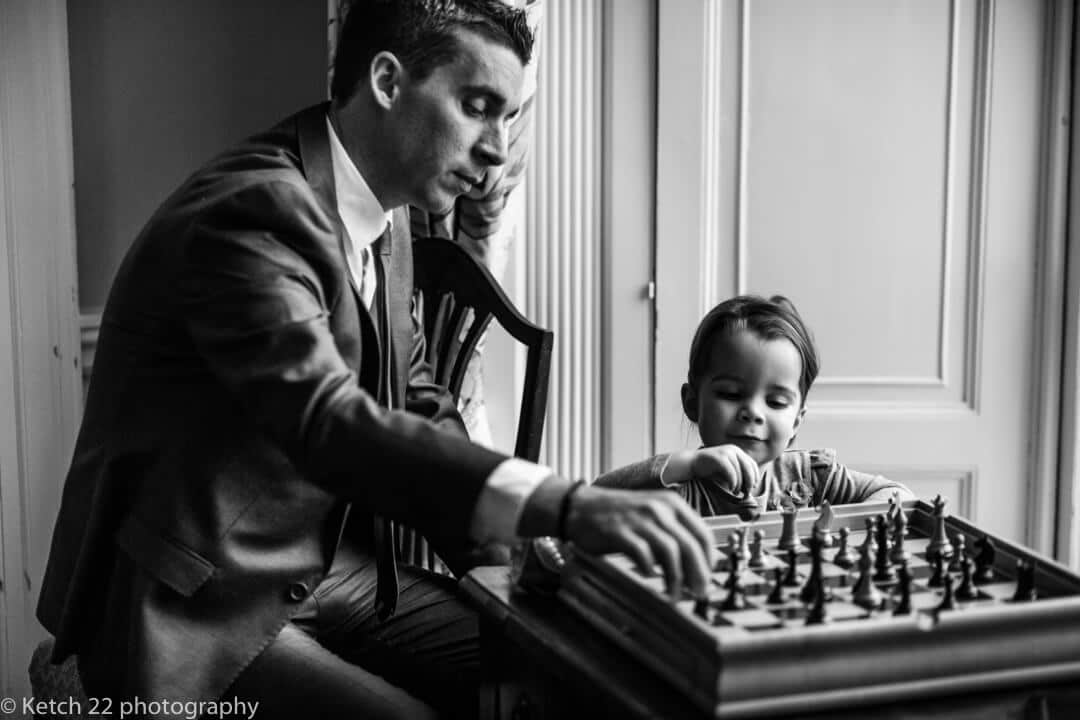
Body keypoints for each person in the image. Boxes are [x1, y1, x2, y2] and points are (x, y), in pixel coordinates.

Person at [36, 2, 714, 718]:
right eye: (478, 107)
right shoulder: (254, 211)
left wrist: (519, 552)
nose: (495, 148)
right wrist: (568, 504)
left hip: (328, 571)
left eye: (508, 119)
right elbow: (328, 421)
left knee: (554, 672)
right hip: (200, 595)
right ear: (388, 80)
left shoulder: (384, 220)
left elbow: (417, 401)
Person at [596, 294, 914, 515]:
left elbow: (898, 496)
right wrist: (687, 465)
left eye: (776, 402)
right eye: (732, 395)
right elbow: (596, 498)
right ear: (692, 402)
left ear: (796, 422)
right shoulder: (682, 488)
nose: (753, 412)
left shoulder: (815, 477)